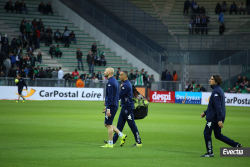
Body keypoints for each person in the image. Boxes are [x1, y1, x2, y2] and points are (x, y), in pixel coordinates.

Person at [200, 75, 242, 157]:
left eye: (211, 79)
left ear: (216, 81)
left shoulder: (215, 91)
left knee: (206, 133)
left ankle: (210, 152)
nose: (209, 80)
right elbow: (213, 106)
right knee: (218, 135)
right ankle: (236, 145)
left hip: (214, 118)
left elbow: (218, 106)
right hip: (217, 116)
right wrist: (205, 112)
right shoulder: (219, 90)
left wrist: (219, 120)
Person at [105, 71, 142, 147]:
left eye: (121, 75)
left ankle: (139, 142)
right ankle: (113, 141)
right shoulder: (126, 84)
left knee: (132, 125)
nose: (119, 76)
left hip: (127, 108)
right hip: (124, 107)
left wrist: (109, 105)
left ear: (125, 76)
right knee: (119, 125)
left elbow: (119, 96)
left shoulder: (126, 85)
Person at [101, 68, 127, 148]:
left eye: (105, 71)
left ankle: (111, 143)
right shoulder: (115, 81)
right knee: (107, 124)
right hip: (113, 105)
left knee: (108, 125)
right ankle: (121, 135)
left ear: (109, 72)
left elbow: (110, 96)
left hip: (112, 106)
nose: (104, 72)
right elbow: (115, 95)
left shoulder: (110, 82)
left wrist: (108, 108)